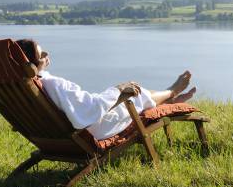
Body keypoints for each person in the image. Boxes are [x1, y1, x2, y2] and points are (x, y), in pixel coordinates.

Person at [16, 39, 197, 140]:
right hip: (95, 128)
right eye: (41, 55)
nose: (46, 55)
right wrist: (118, 90)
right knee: (136, 91)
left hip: (56, 133)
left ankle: (165, 99)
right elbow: (90, 110)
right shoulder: (53, 85)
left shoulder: (20, 87)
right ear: (30, 66)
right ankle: (171, 92)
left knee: (132, 92)